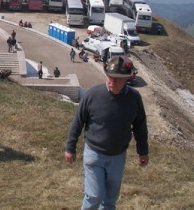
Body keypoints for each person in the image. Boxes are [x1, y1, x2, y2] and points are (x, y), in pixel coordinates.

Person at [64, 56, 149, 209]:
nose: (113, 81)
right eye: (110, 77)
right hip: (94, 154)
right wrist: (70, 148)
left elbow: (140, 125)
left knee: (110, 200)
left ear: (127, 78)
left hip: (118, 156)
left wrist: (143, 151)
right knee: (94, 195)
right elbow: (78, 122)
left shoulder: (134, 98)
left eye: (118, 79)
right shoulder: (92, 95)